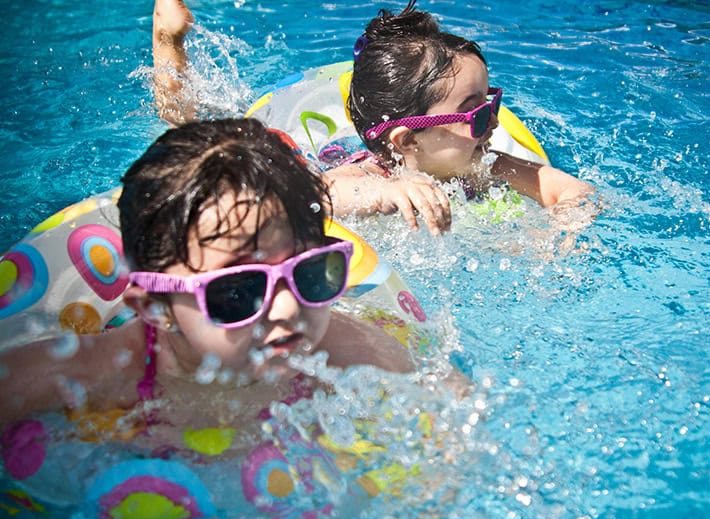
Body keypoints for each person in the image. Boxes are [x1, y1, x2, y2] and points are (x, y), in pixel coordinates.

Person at [0, 118, 416, 445]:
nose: (288, 308)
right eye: (239, 290)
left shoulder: (352, 354)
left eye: (309, 273)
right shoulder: (92, 376)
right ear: (154, 307)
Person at [150, 0, 593, 236]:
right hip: (318, 156)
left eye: (491, 104)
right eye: (473, 115)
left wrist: (560, 231)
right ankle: (168, 41)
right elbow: (314, 197)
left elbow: (569, 189)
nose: (492, 124)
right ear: (407, 142)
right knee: (195, 141)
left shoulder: (487, 165)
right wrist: (384, 192)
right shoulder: (371, 172)